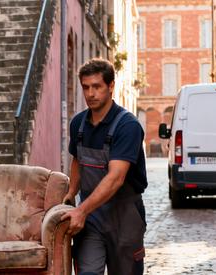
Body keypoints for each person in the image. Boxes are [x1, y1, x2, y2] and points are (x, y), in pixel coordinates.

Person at [62, 59, 149, 274]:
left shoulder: (128, 126)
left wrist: (81, 209)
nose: (90, 93)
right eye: (86, 87)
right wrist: (71, 193)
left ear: (111, 86)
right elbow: (77, 160)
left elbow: (116, 178)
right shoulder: (78, 124)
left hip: (125, 217)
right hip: (91, 219)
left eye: (97, 86)